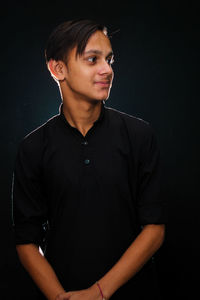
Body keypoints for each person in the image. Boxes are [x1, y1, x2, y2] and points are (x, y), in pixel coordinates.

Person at [12, 19, 166, 300]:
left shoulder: (139, 135)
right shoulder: (33, 148)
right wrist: (61, 297)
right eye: (93, 59)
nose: (107, 70)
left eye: (109, 60)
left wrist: (98, 293)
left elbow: (154, 228)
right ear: (58, 69)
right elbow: (26, 241)